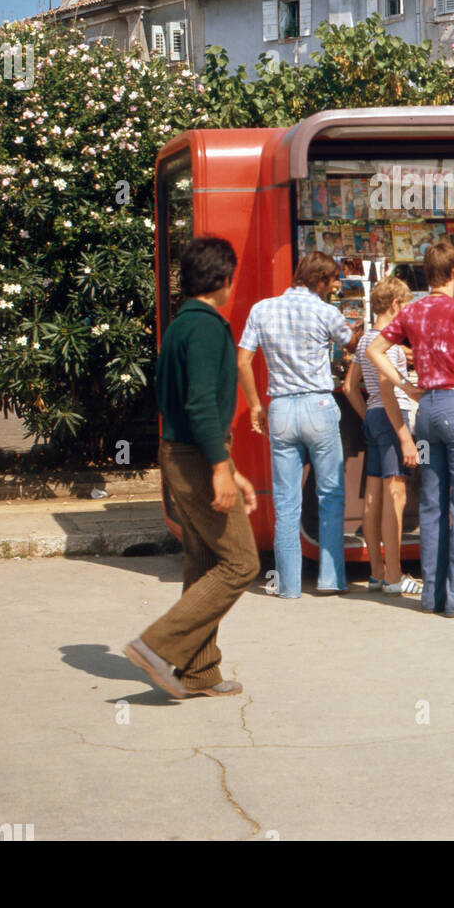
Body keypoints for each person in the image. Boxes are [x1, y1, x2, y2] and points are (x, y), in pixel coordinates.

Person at [125, 236, 259, 700]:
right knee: (241, 562)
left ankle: (200, 671)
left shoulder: (182, 324)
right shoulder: (204, 327)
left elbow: (195, 410)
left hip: (188, 453)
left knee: (205, 563)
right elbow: (201, 404)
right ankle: (157, 646)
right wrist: (220, 468)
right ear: (224, 279)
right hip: (196, 458)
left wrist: (230, 467)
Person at [369, 242, 454, 619]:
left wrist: (405, 385)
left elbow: (375, 350)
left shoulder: (413, 311)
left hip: (426, 412)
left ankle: (435, 594)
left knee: (433, 502)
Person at [237, 251, 353, 598]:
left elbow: (242, 361)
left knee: (286, 502)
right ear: (319, 279)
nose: (334, 287)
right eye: (332, 280)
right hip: (318, 404)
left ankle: (288, 585)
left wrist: (256, 404)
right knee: (330, 495)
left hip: (281, 408)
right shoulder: (326, 312)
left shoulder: (262, 309)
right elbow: (354, 344)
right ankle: (331, 580)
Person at [344, 276, 422, 596]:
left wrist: (369, 416)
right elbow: (388, 387)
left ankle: (377, 569)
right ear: (395, 305)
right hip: (393, 415)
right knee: (396, 494)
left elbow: (350, 387)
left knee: (374, 493)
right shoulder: (385, 343)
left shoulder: (364, 340)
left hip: (375, 416)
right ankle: (394, 574)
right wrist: (403, 435)